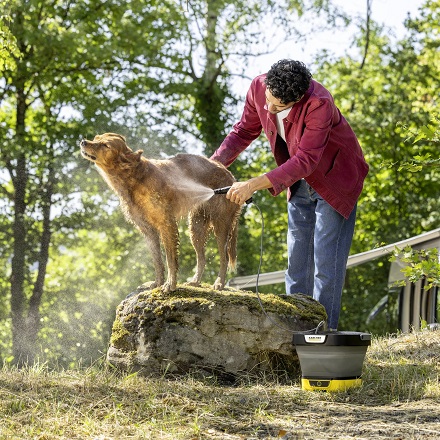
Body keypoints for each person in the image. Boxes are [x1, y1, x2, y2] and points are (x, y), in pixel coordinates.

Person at [210, 59, 369, 330]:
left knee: (326, 266)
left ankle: (322, 337)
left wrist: (252, 184)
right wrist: (211, 167)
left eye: (279, 106)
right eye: (269, 100)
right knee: (296, 265)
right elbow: (244, 131)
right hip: (297, 183)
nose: (270, 109)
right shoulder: (259, 87)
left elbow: (307, 159)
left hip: (334, 181)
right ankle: (293, 335)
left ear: (297, 98)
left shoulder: (319, 103)